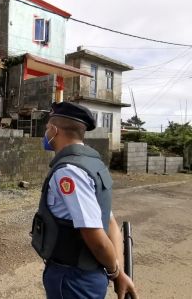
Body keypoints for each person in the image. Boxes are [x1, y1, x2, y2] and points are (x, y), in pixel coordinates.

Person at [31, 102, 138, 299]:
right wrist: (119, 270)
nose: (45, 134)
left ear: (54, 130)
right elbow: (110, 221)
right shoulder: (93, 163)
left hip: (73, 279)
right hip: (87, 275)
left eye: (47, 128)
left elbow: (95, 236)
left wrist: (116, 274)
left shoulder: (69, 172)